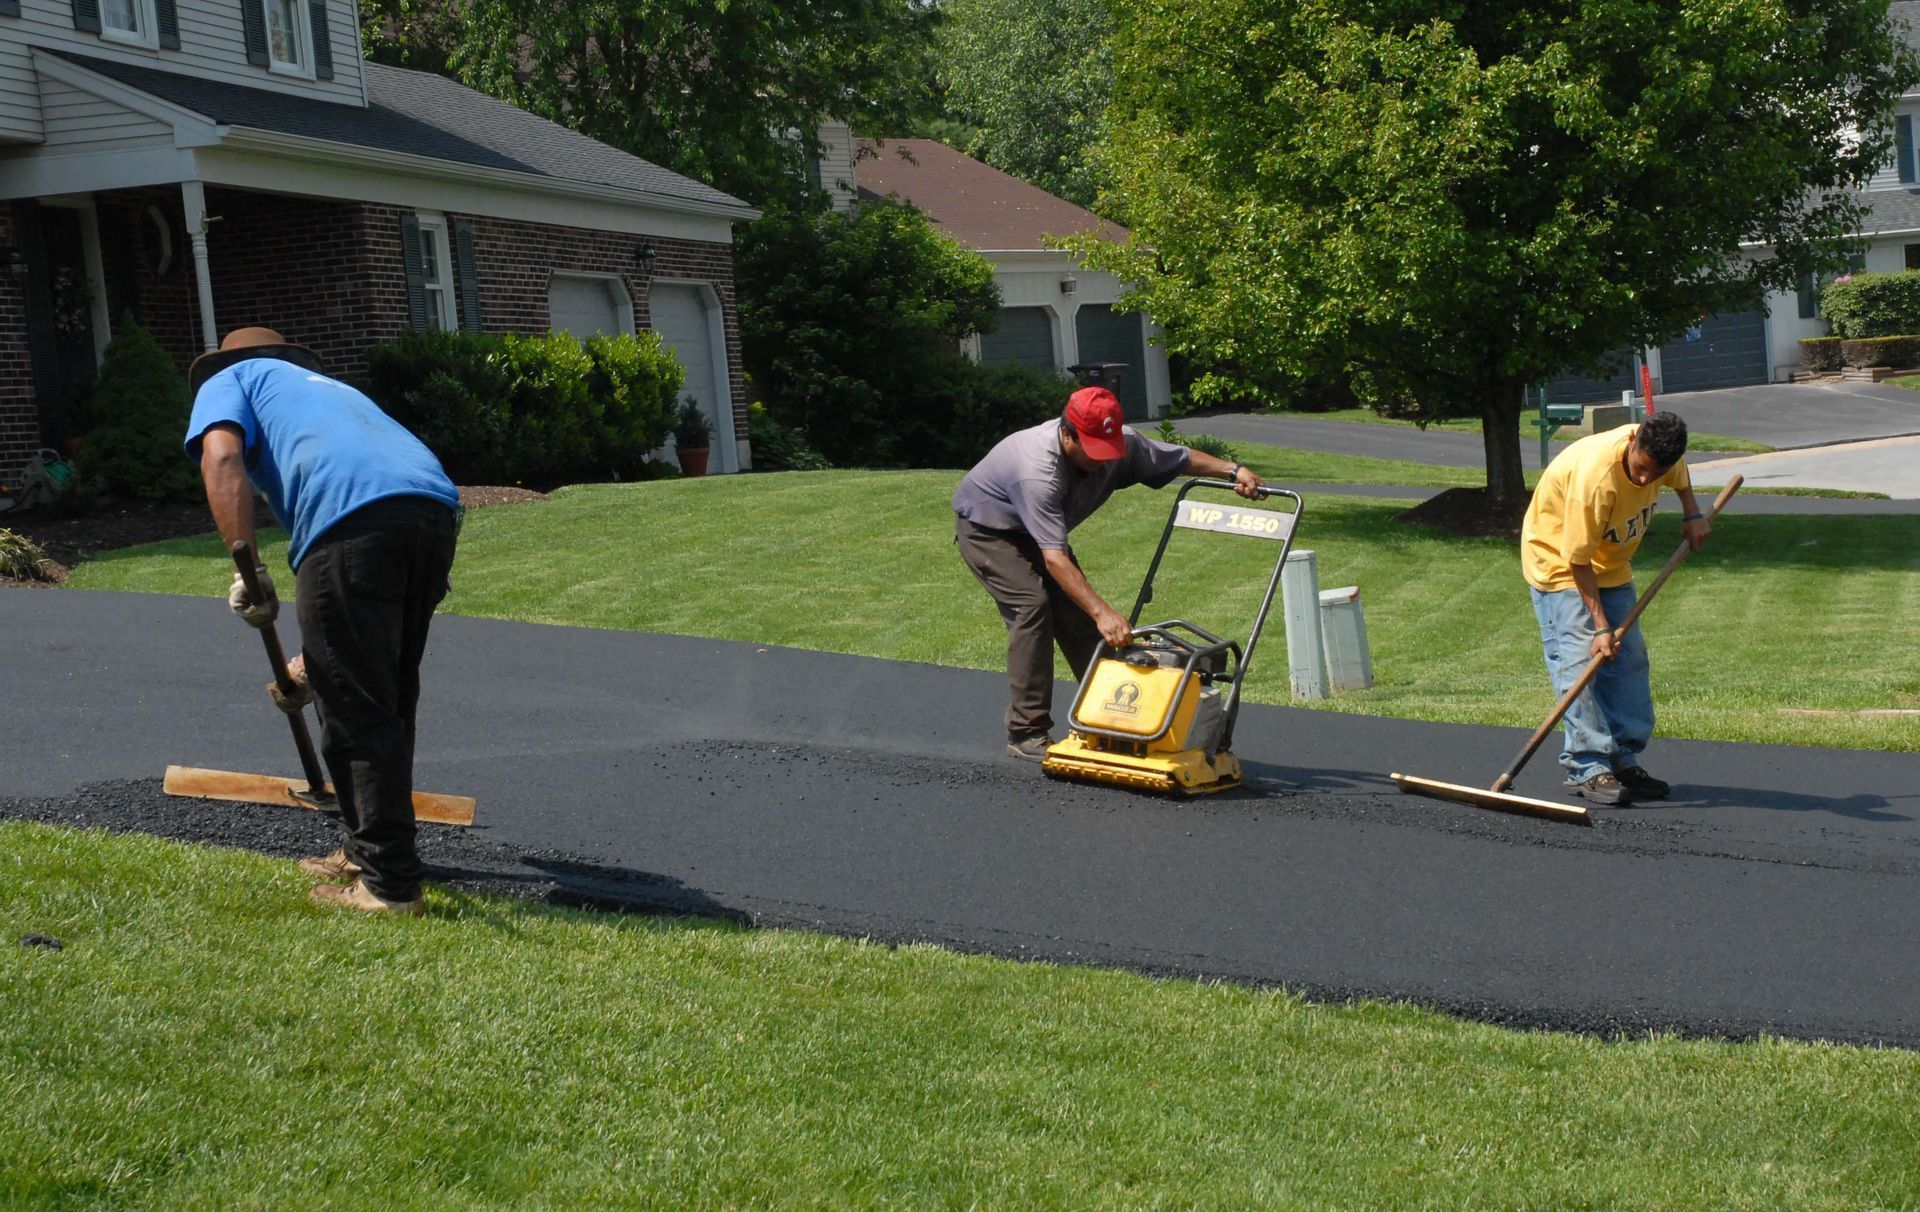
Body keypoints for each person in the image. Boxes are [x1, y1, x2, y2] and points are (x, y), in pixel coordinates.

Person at [185, 326, 462, 914]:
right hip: (431, 512)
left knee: (356, 708)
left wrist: (249, 569)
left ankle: (388, 888)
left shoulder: (229, 379)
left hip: (354, 520)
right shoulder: (324, 391)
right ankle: (370, 851)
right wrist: (316, 660)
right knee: (385, 695)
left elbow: (222, 455)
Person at [953, 386, 1265, 760]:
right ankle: (1026, 731)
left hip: (1043, 535)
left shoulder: (1123, 443)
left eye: (1108, 450)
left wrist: (1233, 470)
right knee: (1033, 608)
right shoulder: (1037, 471)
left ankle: (1117, 721)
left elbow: (1178, 459)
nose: (1102, 461)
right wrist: (1103, 611)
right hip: (990, 529)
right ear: (1067, 434)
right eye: (1093, 451)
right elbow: (1054, 558)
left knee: (1079, 618)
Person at [1520, 410, 1709, 805]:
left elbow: (1680, 476)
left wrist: (1692, 514)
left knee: (1629, 661)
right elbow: (1577, 562)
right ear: (1633, 442)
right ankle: (1587, 766)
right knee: (1579, 663)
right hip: (1559, 565)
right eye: (1640, 470)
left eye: (1654, 475)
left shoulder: (1663, 456)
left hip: (1610, 565)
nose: (1645, 481)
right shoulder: (1595, 479)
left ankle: (1621, 759)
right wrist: (1602, 627)